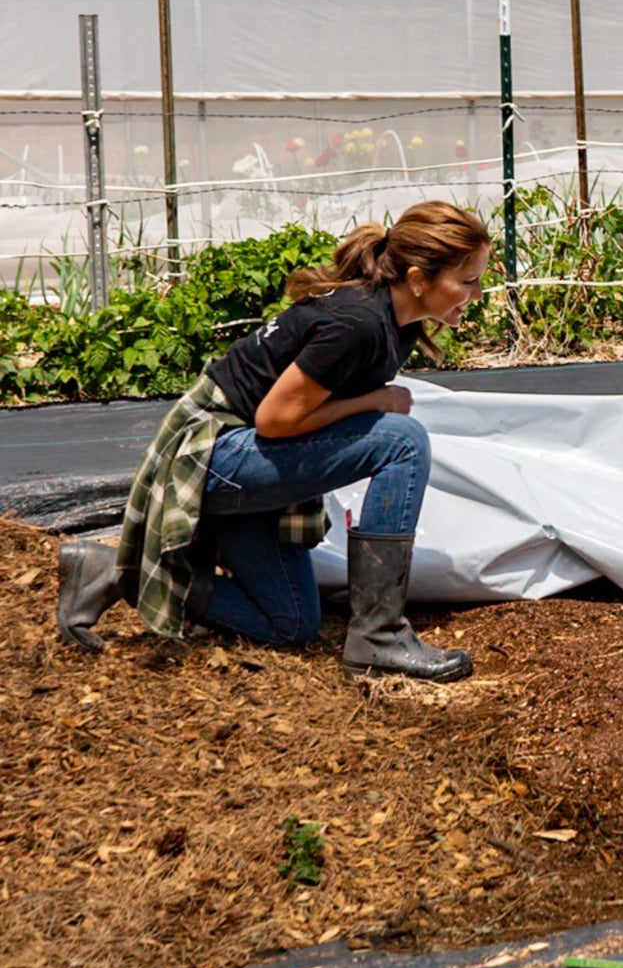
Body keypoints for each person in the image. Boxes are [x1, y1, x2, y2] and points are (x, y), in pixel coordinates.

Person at [55, 201, 492, 682]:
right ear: (416, 278)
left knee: (291, 624)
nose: (475, 292)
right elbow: (274, 420)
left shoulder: (396, 323)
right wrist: (373, 401)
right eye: (467, 280)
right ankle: (379, 636)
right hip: (211, 452)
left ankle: (114, 571)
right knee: (403, 441)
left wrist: (370, 402)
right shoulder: (359, 324)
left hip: (248, 459)